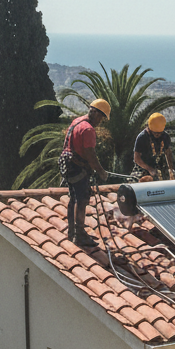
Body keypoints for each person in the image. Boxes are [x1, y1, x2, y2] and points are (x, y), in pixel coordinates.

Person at [60, 99, 111, 245]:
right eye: (101, 118)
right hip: (77, 167)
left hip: (68, 165)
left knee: (74, 198)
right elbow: (90, 154)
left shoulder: (77, 121)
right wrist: (101, 171)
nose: (100, 122)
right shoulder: (88, 129)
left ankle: (72, 232)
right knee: (81, 200)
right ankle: (80, 235)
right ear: (95, 113)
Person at [132, 112, 175, 181]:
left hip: (160, 166)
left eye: (159, 133)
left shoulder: (165, 137)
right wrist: (149, 169)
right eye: (155, 133)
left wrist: (170, 169)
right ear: (149, 129)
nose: (157, 135)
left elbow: (168, 152)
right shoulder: (142, 137)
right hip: (143, 167)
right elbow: (136, 158)